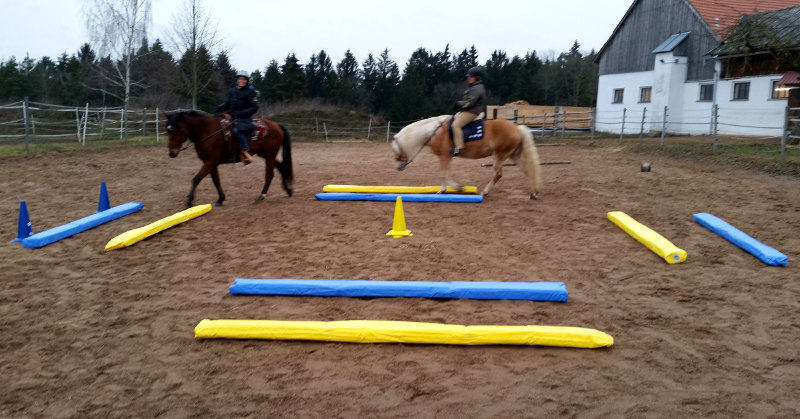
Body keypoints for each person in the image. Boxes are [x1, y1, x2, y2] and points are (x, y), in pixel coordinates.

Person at [215, 74, 259, 165]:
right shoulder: (233, 90)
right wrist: (220, 107)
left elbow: (254, 108)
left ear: (246, 81)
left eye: (243, 79)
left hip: (244, 118)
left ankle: (245, 151)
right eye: (239, 79)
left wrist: (242, 113)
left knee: (236, 130)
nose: (241, 81)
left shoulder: (250, 92)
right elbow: (227, 103)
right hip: (231, 116)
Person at [451, 66, 487, 155]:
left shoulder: (477, 88)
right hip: (468, 110)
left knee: (456, 125)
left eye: (470, 76)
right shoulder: (474, 87)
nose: (468, 78)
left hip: (472, 112)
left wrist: (459, 104)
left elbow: (470, 102)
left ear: (476, 78)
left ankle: (459, 147)